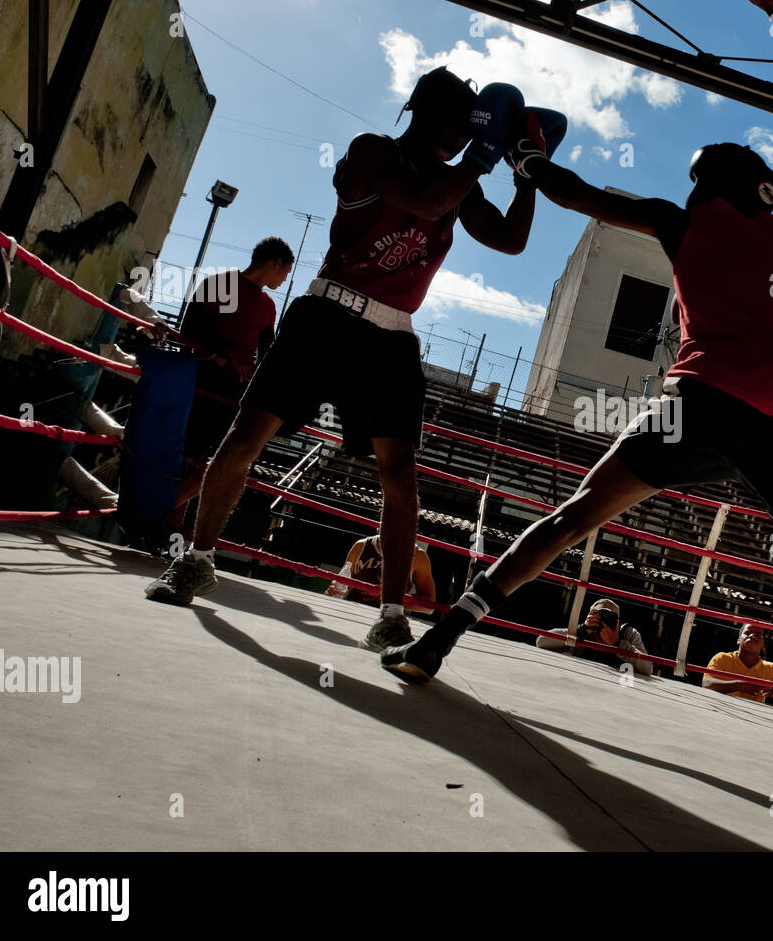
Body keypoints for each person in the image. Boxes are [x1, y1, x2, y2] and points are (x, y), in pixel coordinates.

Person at [382, 140, 773, 806]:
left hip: (699, 402)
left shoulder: (684, 221)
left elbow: (583, 196)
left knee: (575, 516)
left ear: (708, 183)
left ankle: (438, 641)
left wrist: (527, 162)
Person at [145, 67, 562, 657]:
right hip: (325, 316)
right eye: (454, 121)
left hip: (391, 336)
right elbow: (425, 200)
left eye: (467, 126)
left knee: (400, 475)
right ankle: (197, 561)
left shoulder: (459, 179)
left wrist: (526, 176)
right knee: (244, 440)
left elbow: (510, 241)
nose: (460, 136)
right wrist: (486, 156)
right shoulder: (374, 154)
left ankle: (392, 616)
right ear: (425, 115)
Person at [172, 238, 294, 519]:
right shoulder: (221, 283)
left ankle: (168, 528)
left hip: (235, 394)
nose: (285, 279)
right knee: (185, 458)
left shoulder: (268, 306)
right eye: (286, 272)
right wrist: (224, 355)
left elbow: (267, 353)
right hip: (200, 382)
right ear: (276, 263)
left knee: (211, 463)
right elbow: (189, 329)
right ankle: (161, 527)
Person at [535, 598, 652, 676]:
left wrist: (618, 644)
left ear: (617, 622)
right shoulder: (582, 632)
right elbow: (541, 642)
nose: (601, 620)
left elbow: (648, 668)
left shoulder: (627, 633)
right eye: (596, 615)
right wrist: (580, 631)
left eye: (607, 616)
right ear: (588, 617)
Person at [326, 536, 436, 616]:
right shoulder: (361, 546)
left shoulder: (418, 556)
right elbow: (343, 584)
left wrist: (392, 596)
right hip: (350, 612)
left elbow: (429, 607)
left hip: (386, 622)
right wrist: (338, 592)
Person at [703, 624, 773, 708]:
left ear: (763, 645)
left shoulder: (770, 668)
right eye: (747, 633)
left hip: (753, 719)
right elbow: (706, 684)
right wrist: (738, 685)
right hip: (722, 710)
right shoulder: (722, 658)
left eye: (758, 635)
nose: (752, 636)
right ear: (738, 639)